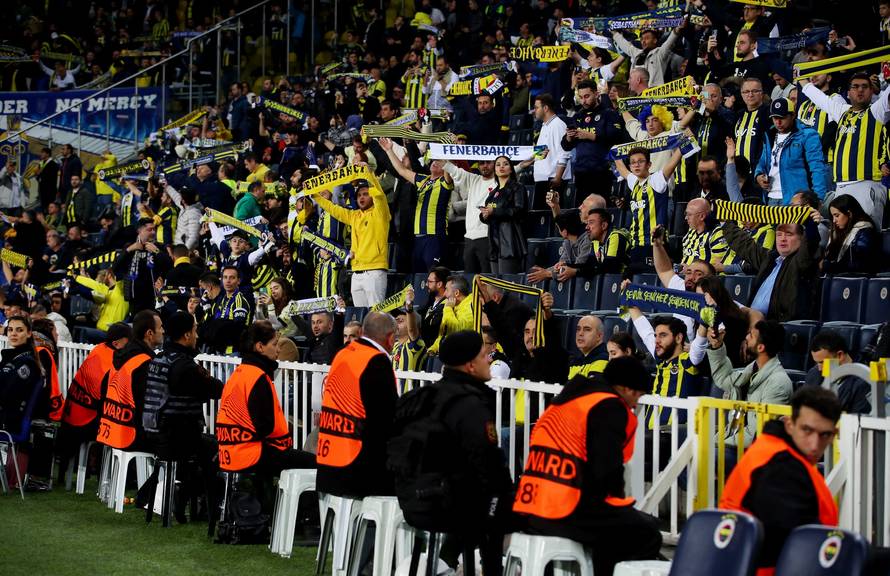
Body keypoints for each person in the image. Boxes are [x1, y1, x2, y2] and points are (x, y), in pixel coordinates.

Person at [513, 356, 662, 576]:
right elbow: (607, 469)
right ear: (626, 388)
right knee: (646, 533)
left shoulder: (567, 399)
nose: (635, 404)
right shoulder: (609, 406)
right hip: (565, 509)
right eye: (637, 395)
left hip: (529, 506)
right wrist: (619, 505)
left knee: (618, 526)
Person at [719, 387, 841, 574]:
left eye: (825, 435)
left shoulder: (775, 451)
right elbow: (809, 540)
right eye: (807, 430)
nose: (815, 445)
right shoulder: (781, 467)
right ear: (789, 424)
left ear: (834, 434)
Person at [432, 331, 514, 576]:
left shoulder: (433, 393)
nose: (489, 360)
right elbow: (487, 461)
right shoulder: (473, 401)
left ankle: (448, 557)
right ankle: (492, 569)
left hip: (422, 492)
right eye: (483, 356)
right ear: (470, 365)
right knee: (497, 499)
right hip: (451, 496)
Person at [143, 312, 224, 519]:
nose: (197, 335)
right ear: (187, 335)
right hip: (176, 437)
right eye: (195, 330)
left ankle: (174, 497)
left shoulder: (158, 359)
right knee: (217, 449)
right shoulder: (184, 365)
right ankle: (204, 508)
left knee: (203, 446)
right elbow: (215, 389)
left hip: (154, 433)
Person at [216, 321, 315, 474]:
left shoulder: (238, 374)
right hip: (251, 455)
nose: (279, 349)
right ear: (260, 347)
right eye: (275, 344)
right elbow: (265, 427)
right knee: (315, 465)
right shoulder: (257, 377)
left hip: (230, 454)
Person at [316, 312, 398, 497]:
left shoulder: (342, 354)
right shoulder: (376, 360)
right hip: (356, 470)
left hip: (327, 464)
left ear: (362, 332)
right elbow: (387, 419)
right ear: (391, 338)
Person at [799, 71, 890, 226]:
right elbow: (819, 97)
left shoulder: (877, 112)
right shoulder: (841, 111)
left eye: (864, 86)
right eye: (855, 87)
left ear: (871, 91)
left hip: (867, 185)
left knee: (866, 233)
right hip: (840, 187)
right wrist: (801, 76)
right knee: (840, 236)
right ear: (848, 93)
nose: (860, 90)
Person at [707, 320, 793, 467]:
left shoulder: (778, 383)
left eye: (751, 336)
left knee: (702, 459)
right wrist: (717, 346)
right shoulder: (752, 369)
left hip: (748, 451)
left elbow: (759, 433)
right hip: (731, 442)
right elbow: (724, 380)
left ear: (760, 347)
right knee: (683, 455)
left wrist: (722, 442)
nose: (746, 338)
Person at [56, 323, 131, 482]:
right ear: (117, 343)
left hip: (70, 416)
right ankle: (111, 478)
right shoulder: (113, 360)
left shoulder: (99, 349)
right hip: (85, 421)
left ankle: (71, 472)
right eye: (128, 341)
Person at [311, 179, 391, 307]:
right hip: (356, 273)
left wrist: (368, 176)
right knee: (359, 316)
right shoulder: (354, 216)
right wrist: (313, 195)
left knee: (376, 317)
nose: (361, 197)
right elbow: (333, 209)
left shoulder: (380, 213)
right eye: (359, 195)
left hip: (374, 272)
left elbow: (379, 196)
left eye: (365, 194)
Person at [379, 137, 453, 272]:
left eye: (440, 161)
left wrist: (447, 148)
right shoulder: (422, 180)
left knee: (435, 279)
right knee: (419, 279)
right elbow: (402, 171)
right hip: (418, 238)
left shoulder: (445, 181)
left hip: (435, 238)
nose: (436, 162)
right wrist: (389, 150)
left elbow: (449, 169)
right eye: (434, 160)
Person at [722, 219, 817, 322]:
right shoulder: (769, 259)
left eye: (789, 234)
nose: (783, 239)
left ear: (802, 238)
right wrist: (726, 220)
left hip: (775, 327)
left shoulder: (801, 262)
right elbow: (745, 244)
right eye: (779, 234)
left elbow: (810, 244)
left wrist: (811, 225)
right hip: (751, 323)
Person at [96, 310, 164, 452]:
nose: (163, 331)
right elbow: (150, 405)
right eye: (160, 327)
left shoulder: (121, 355)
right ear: (149, 333)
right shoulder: (144, 362)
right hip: (131, 436)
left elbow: (103, 389)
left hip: (109, 429)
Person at [629, 310, 705, 427]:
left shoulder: (688, 361)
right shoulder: (661, 359)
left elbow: (700, 341)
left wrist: (706, 315)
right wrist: (627, 297)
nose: (657, 340)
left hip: (672, 436)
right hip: (645, 432)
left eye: (663, 335)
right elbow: (643, 329)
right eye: (656, 336)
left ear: (678, 338)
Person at [754, 98, 830, 205]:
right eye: (775, 118)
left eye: (782, 117)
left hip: (796, 200)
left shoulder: (807, 135)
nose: (778, 122)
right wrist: (758, 175)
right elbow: (763, 160)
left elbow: (817, 168)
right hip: (770, 198)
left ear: (793, 115)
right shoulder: (770, 134)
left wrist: (818, 198)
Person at [561, 80, 625, 206]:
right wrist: (569, 137)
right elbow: (565, 146)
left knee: (601, 210)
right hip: (581, 173)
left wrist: (591, 136)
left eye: (587, 96)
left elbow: (616, 139)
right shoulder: (577, 117)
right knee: (584, 213)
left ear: (596, 94)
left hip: (602, 172)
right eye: (581, 97)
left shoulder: (609, 114)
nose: (583, 101)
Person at [614, 147, 683, 259]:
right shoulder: (634, 182)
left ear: (649, 165)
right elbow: (622, 169)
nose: (636, 165)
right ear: (630, 167)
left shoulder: (656, 180)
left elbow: (672, 163)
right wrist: (615, 152)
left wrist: (682, 144)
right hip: (636, 245)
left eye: (641, 161)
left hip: (655, 244)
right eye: (633, 163)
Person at [805, 330, 872, 414]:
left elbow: (857, 422)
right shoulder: (813, 374)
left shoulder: (863, 382)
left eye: (822, 362)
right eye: (816, 362)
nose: (819, 368)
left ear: (840, 355)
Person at [480, 155, 527, 274]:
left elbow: (519, 211)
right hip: (494, 244)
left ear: (511, 169)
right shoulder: (493, 193)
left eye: (505, 164)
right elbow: (488, 213)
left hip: (510, 242)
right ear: (494, 170)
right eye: (498, 164)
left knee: (507, 285)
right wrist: (484, 215)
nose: (501, 167)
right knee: (496, 288)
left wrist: (494, 211)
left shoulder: (518, 187)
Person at [443, 160, 492, 273]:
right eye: (481, 163)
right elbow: (450, 167)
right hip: (469, 237)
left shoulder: (499, 181)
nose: (485, 165)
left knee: (487, 277)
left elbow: (516, 168)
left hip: (487, 236)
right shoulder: (473, 178)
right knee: (469, 278)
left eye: (488, 162)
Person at [0, 316, 43, 446]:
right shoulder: (11, 358)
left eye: (19, 330)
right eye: (10, 330)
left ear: (29, 333)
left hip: (9, 422)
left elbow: (7, 394)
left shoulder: (27, 363)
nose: (13, 333)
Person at [527, 94, 571, 210]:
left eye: (536, 108)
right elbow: (541, 154)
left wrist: (557, 177)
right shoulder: (544, 125)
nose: (534, 111)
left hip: (551, 180)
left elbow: (565, 153)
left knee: (551, 219)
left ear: (545, 108)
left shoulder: (558, 125)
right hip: (541, 179)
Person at [821, 194, 880, 275]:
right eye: (832, 216)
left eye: (837, 216)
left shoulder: (864, 232)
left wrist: (829, 266)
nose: (834, 220)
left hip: (856, 282)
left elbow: (859, 266)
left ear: (849, 214)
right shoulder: (840, 231)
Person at [733, 78, 771, 176]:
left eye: (755, 91)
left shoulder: (769, 114)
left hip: (760, 173)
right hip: (738, 174)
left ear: (762, 93)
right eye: (746, 91)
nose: (750, 95)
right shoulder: (738, 115)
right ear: (741, 94)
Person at [428, 275, 474, 354]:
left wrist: (448, 309)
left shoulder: (472, 305)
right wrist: (433, 348)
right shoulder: (453, 308)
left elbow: (457, 331)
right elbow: (443, 335)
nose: (444, 294)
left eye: (446, 290)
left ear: (456, 293)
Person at [680, 198, 732, 266]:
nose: (686, 218)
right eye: (686, 214)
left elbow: (718, 265)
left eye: (689, 214)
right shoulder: (691, 231)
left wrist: (690, 269)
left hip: (704, 276)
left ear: (702, 216)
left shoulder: (717, 233)